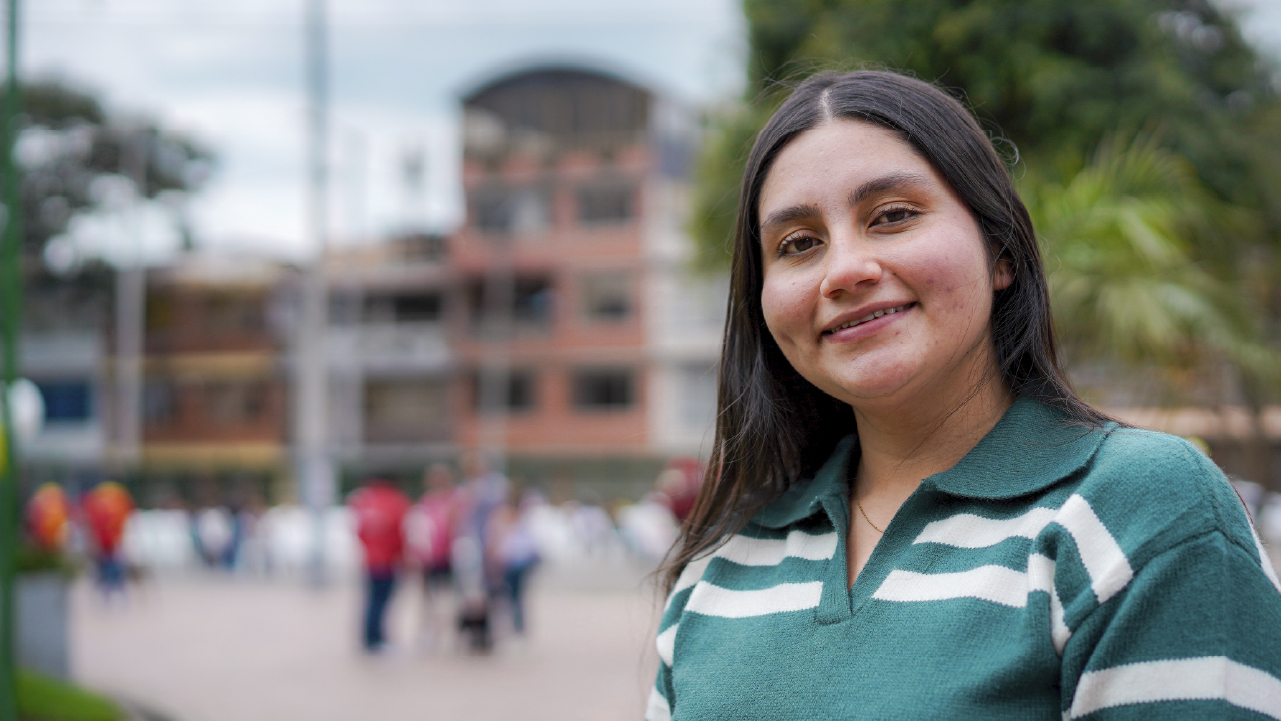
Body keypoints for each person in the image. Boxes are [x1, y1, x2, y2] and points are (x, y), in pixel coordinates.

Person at [648, 70, 1281, 720]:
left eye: (891, 216)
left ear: (999, 248)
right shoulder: (720, 567)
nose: (842, 270)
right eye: (798, 244)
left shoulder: (1142, 513)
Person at [348, 476, 411, 653]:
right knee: (381, 601)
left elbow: (359, 531)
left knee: (372, 601)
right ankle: (376, 640)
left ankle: (370, 638)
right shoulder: (395, 501)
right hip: (388, 560)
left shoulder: (365, 501)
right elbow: (400, 533)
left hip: (370, 559)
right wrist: (403, 556)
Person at [403, 463, 461, 648]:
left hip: (449, 556)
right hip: (428, 558)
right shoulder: (426, 501)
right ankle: (428, 632)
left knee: (449, 598)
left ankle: (452, 633)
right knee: (427, 599)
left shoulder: (455, 500)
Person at [81, 481, 134, 598]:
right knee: (113, 566)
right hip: (114, 540)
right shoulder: (118, 501)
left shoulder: (96, 502)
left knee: (107, 566)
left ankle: (109, 590)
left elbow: (90, 523)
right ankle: (117, 591)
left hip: (106, 541)